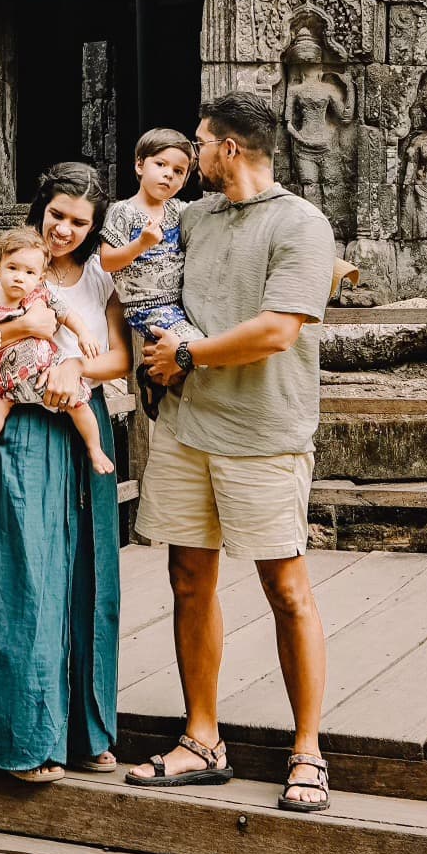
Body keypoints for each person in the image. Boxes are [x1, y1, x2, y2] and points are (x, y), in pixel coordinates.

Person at [126, 91, 339, 815]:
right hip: (189, 428)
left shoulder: (302, 224)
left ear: (230, 150)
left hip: (264, 432)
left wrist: (186, 353)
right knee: (189, 575)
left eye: (200, 141)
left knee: (286, 588)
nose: (191, 153)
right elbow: (149, 287)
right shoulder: (195, 217)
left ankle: (307, 747)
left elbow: (279, 330)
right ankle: (202, 736)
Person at [0, 161, 128, 785]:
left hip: (82, 418)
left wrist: (78, 370)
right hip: (23, 424)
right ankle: (26, 737)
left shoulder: (104, 274)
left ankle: (87, 731)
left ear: (95, 225)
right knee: (28, 571)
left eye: (80, 221)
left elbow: (120, 355)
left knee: (91, 573)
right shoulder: (12, 270)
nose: (65, 230)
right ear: (40, 210)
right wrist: (22, 326)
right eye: (56, 215)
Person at [0, 224, 119, 504]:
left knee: (79, 405)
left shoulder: (42, 294)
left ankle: (95, 448)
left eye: (30, 272)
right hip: (4, 382)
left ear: (40, 276)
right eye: (13, 268)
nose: (20, 278)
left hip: (47, 374)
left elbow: (68, 314)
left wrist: (83, 335)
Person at [98, 128, 196, 413]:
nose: (169, 174)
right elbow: (108, 261)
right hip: (145, 306)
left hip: (179, 302)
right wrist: (141, 243)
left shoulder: (178, 210)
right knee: (194, 346)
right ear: (140, 165)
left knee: (189, 352)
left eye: (179, 171)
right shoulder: (123, 212)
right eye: (161, 164)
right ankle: (151, 377)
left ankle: (156, 377)